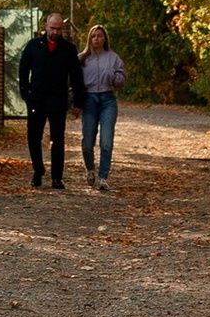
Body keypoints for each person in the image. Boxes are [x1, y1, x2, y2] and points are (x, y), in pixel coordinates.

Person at [17, 11, 80, 189]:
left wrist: (78, 101)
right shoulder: (34, 45)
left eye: (59, 29)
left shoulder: (68, 49)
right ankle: (38, 170)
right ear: (46, 26)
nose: (55, 32)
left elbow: (75, 75)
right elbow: (23, 68)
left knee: (58, 139)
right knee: (33, 137)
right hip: (36, 99)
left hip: (58, 100)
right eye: (52, 28)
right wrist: (25, 92)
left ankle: (56, 177)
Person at [80, 22, 127, 186]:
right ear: (89, 39)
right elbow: (73, 81)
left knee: (106, 141)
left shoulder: (113, 58)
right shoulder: (82, 59)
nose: (96, 39)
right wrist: (74, 100)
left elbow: (122, 77)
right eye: (93, 36)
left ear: (105, 38)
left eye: (100, 36)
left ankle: (102, 177)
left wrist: (116, 78)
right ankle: (90, 169)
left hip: (108, 100)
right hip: (89, 99)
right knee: (87, 143)